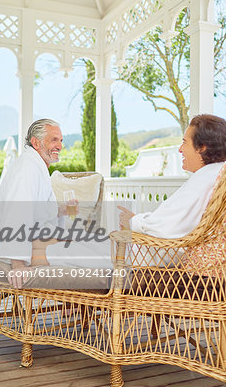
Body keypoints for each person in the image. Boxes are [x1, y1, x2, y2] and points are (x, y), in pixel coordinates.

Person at [31, 114, 226, 270]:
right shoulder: (213, 175)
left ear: (202, 147)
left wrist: (132, 221)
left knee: (59, 251)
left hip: (147, 255)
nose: (180, 149)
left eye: (185, 142)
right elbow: (175, 221)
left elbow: (165, 225)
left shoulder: (203, 179)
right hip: (150, 250)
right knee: (79, 244)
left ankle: (18, 275)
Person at [0, 118, 65, 287]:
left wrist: (61, 211)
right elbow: (19, 210)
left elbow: (40, 211)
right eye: (54, 139)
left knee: (75, 244)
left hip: (34, 236)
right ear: (36, 143)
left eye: (61, 140)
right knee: (77, 252)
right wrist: (18, 264)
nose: (59, 146)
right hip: (30, 240)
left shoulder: (36, 166)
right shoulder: (28, 168)